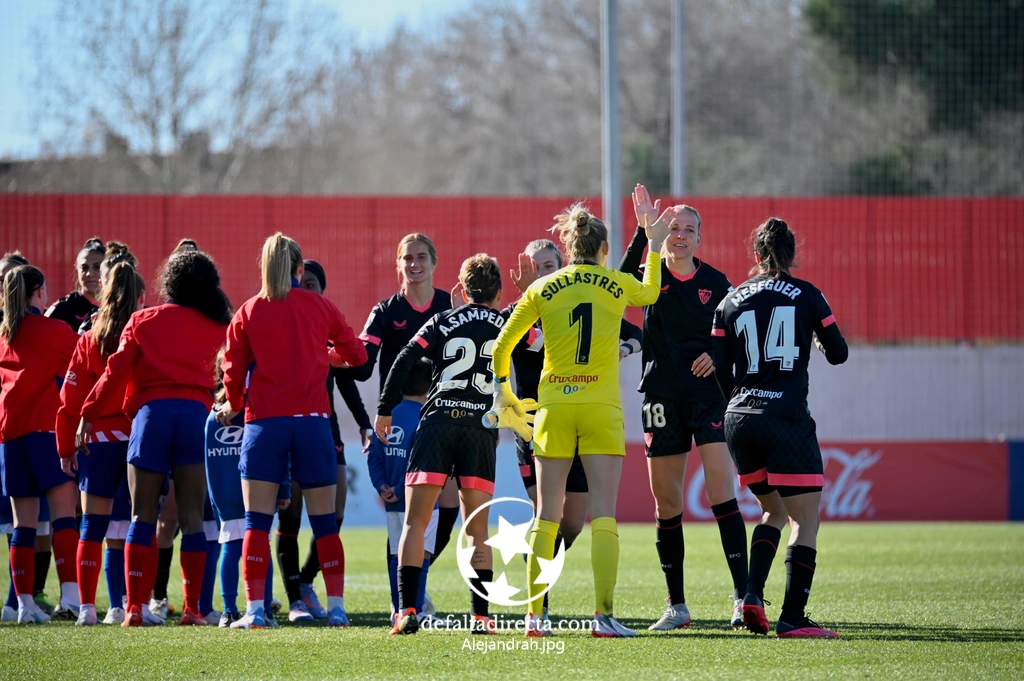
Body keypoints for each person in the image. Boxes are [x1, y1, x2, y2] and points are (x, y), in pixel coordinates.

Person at [491, 203, 670, 638]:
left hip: (552, 407)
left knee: (545, 517)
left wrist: (505, 393)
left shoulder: (543, 286)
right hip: (600, 408)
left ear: (569, 246)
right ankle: (604, 618)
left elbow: (500, 347)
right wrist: (653, 244)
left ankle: (536, 618)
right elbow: (651, 293)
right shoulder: (616, 283)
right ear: (603, 248)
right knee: (603, 516)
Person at [219, 233, 366, 629]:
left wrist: (233, 404)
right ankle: (337, 609)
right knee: (325, 524)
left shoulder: (248, 311)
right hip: (313, 424)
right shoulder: (320, 305)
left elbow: (232, 370)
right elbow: (357, 354)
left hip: (264, 424)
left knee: (257, 523)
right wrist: (327, 355)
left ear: (264, 267)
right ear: (300, 268)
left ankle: (254, 611)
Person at [712, 217, 848, 638]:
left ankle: (751, 596)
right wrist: (817, 338)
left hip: (739, 418)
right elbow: (838, 353)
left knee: (772, 510)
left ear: (755, 255)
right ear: (792, 254)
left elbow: (719, 368)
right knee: (804, 521)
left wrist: (742, 402)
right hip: (786, 419)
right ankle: (792, 618)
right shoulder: (808, 294)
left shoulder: (729, 301)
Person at [82, 248, 232, 627]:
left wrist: (87, 413)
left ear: (170, 281)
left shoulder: (143, 320)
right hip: (196, 418)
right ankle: (193, 609)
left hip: (151, 419)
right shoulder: (219, 324)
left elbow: (114, 373)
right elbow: (231, 376)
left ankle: (134, 608)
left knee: (142, 515)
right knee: (193, 518)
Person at [622, 185, 749, 630]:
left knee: (722, 493)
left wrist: (716, 355)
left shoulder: (717, 283)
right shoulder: (648, 275)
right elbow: (617, 285)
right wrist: (644, 234)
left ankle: (744, 599)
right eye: (673, 228)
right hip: (661, 397)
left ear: (699, 238)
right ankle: (676, 606)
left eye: (688, 229)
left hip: (709, 397)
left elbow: (738, 337)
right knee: (667, 502)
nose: (679, 235)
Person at [509, 239, 643, 621]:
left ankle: (540, 571)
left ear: (562, 267)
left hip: (584, 418)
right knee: (546, 515)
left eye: (548, 266)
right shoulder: (519, 312)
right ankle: (539, 608)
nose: (541, 273)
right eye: (534, 268)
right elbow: (522, 344)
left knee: (573, 522)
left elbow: (637, 332)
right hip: (537, 423)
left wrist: (624, 348)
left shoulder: (584, 300)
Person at [376, 254, 507, 636]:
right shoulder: (507, 323)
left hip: (437, 424)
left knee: (415, 523)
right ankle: (480, 617)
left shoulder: (443, 319)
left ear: (462, 291)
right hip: (480, 428)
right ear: (499, 293)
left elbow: (404, 358)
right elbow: (541, 344)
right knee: (477, 529)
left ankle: (406, 611)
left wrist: (384, 409)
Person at [342, 234, 459, 592]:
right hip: (398, 423)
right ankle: (406, 599)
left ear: (434, 262)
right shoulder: (385, 311)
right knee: (402, 518)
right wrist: (337, 355)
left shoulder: (449, 306)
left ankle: (415, 583)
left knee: (448, 510)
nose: (414, 263)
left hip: (443, 417)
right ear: (398, 263)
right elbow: (363, 364)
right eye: (407, 257)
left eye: (421, 256)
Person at [276, 259, 373, 622]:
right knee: (290, 516)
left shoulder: (326, 332)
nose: (305, 289)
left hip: (324, 431)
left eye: (312, 284)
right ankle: (295, 600)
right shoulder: (282, 330)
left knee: (335, 513)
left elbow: (347, 380)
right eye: (300, 282)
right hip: (287, 429)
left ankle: (305, 580)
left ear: (322, 290)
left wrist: (364, 423)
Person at [55, 260, 145, 625]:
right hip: (138, 439)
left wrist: (65, 449)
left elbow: (69, 400)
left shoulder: (89, 338)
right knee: (136, 525)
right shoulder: (144, 336)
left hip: (97, 441)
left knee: (93, 526)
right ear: (140, 297)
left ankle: (88, 609)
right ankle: (131, 606)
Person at [0, 264, 82, 624]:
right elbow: (85, 363)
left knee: (23, 525)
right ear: (39, 293)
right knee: (64, 515)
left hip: (10, 435)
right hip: (47, 430)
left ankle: (24, 606)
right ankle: (71, 598)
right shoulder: (56, 330)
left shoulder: (5, 334)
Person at [205, 350, 290, 627]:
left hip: (225, 497)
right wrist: (284, 488)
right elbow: (275, 454)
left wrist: (217, 499)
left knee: (231, 547)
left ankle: (229, 611)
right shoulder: (254, 412)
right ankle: (263, 608)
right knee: (259, 545)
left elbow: (209, 464)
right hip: (254, 492)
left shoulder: (212, 416)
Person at [366, 358, 438, 625]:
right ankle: (416, 611)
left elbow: (374, 456)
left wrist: (383, 486)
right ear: (431, 385)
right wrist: (398, 489)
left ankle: (399, 611)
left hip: (393, 504)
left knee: (398, 553)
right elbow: (419, 459)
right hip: (422, 500)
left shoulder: (388, 415)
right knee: (422, 553)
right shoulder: (427, 416)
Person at [45, 238, 104, 331]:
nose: (89, 273)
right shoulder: (61, 309)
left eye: (97, 267)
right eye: (84, 268)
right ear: (77, 270)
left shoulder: (120, 307)